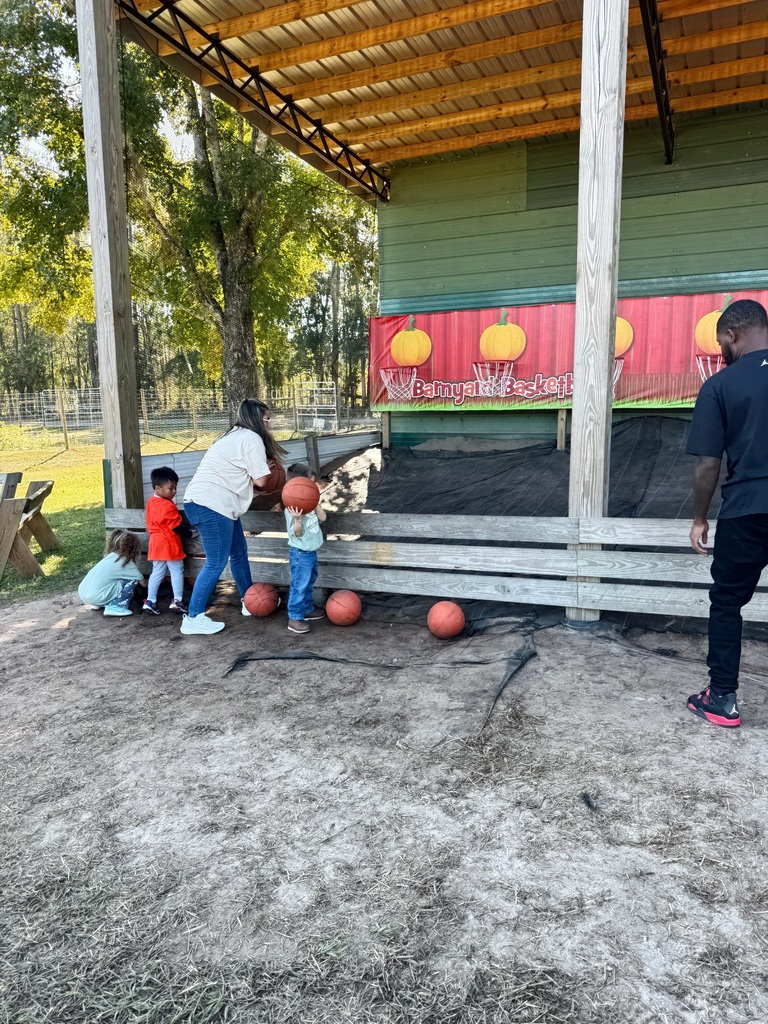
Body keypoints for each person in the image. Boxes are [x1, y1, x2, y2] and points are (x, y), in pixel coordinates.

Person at [686, 298, 768, 728]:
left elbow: (707, 464)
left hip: (747, 510)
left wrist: (700, 518)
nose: (722, 350)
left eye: (722, 342)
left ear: (732, 334)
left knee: (727, 603)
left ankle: (722, 699)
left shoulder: (720, 385)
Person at [181, 399, 286, 636]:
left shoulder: (231, 436)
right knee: (216, 563)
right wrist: (267, 469)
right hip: (212, 504)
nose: (269, 423)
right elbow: (261, 481)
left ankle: (249, 600)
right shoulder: (251, 438)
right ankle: (193, 617)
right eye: (267, 418)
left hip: (212, 503)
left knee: (238, 554)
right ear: (257, 419)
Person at [284, 463, 327, 635]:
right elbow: (297, 534)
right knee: (299, 585)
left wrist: (315, 501)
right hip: (300, 553)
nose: (314, 487)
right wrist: (298, 520)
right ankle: (294, 617)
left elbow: (323, 517)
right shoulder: (292, 507)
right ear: (300, 485)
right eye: (312, 484)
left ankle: (307, 609)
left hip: (310, 552)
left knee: (309, 582)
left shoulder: (310, 501)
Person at [143, 466, 187, 615]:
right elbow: (175, 526)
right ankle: (178, 600)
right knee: (176, 570)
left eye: (175, 488)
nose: (174, 491)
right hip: (169, 543)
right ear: (158, 488)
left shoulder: (151, 502)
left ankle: (150, 600)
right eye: (171, 488)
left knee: (157, 572)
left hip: (155, 543)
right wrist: (189, 534)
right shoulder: (167, 505)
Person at [78, 530, 144, 617]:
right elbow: (143, 583)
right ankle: (116, 607)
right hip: (97, 596)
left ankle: (98, 604)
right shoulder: (128, 564)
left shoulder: (109, 558)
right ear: (133, 548)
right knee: (132, 580)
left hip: (84, 594)